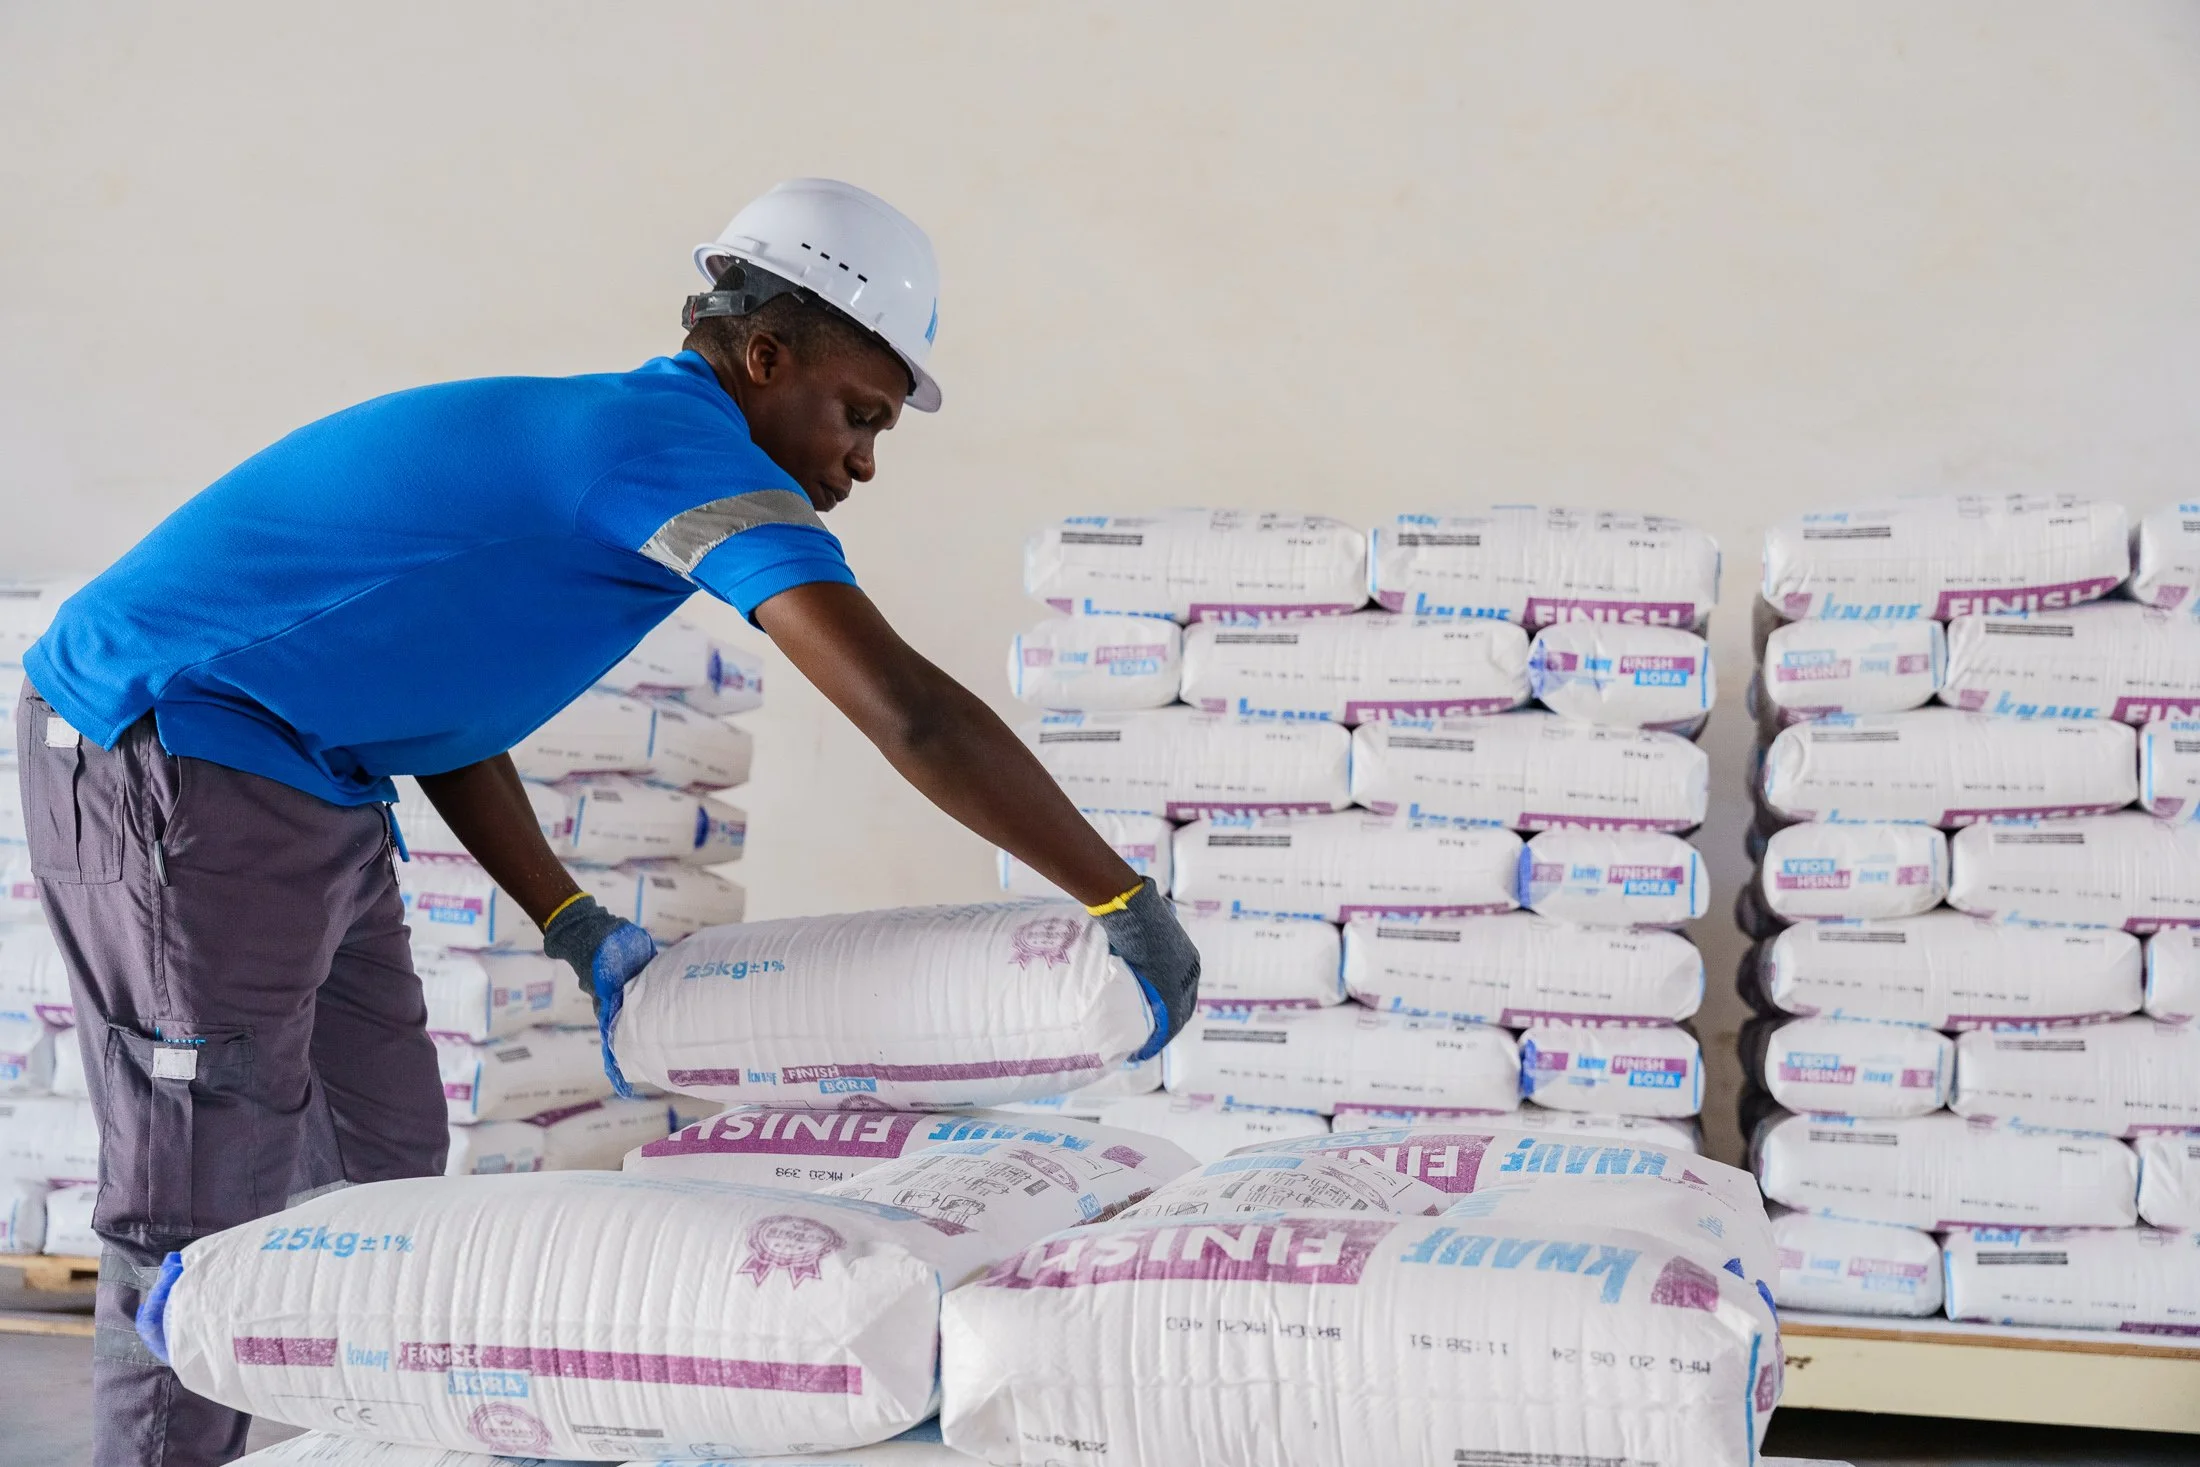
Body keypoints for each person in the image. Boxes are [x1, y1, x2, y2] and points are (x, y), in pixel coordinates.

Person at [14, 177, 1199, 1467]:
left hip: (322, 773)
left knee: (381, 1154)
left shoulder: (616, 456)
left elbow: (457, 715)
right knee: (203, 1184)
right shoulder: (663, 448)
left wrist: (569, 919)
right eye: (860, 415)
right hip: (175, 747)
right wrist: (1116, 899)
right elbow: (907, 708)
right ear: (764, 357)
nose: (862, 460)